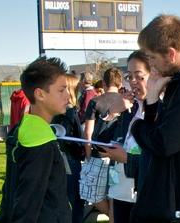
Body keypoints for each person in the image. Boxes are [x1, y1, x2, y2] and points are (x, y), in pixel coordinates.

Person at [104, 14, 180, 223]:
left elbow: (164, 143)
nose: (151, 64)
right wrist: (152, 100)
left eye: (152, 57)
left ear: (170, 54)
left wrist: (137, 127)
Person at [0, 56, 72, 223]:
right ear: (39, 94)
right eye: (61, 90)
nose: (68, 96)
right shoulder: (39, 141)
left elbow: (9, 191)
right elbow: (28, 201)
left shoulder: (23, 129)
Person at [95, 50, 150, 223]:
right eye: (129, 76)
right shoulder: (127, 109)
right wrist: (111, 112)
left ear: (155, 74)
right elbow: (98, 145)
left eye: (139, 76)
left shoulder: (163, 111)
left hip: (145, 196)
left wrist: (127, 158)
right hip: (120, 193)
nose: (133, 82)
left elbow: (161, 160)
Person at [80, 67, 122, 223]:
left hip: (100, 154)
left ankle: (115, 218)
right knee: (114, 194)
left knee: (92, 193)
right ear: (120, 82)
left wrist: (89, 154)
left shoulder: (95, 101)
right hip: (120, 155)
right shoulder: (125, 100)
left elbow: (88, 132)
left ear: (103, 82)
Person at [51, 73, 85, 223]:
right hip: (69, 160)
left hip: (65, 159)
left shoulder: (61, 110)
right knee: (73, 201)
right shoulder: (68, 111)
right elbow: (65, 135)